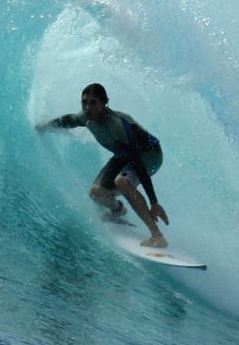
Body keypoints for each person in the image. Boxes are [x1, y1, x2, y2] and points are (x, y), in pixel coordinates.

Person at [35, 82, 171, 247]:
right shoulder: (86, 118)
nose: (87, 107)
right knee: (96, 193)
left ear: (104, 102)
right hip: (124, 154)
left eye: (93, 102)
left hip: (150, 155)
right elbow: (70, 120)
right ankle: (118, 210)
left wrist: (154, 202)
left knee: (122, 182)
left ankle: (157, 235)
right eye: (84, 102)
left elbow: (138, 164)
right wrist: (46, 126)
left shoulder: (117, 125)